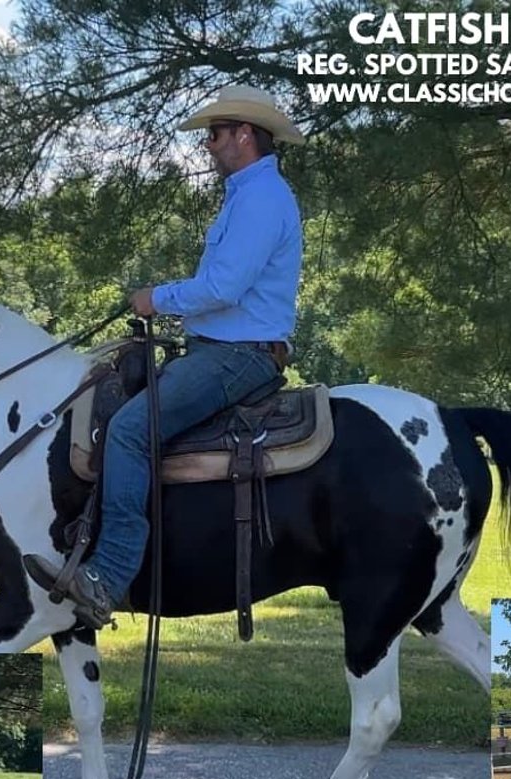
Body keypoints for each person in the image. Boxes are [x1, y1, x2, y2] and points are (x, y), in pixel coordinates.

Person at [28, 85, 305, 628]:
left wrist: (157, 299)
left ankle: (107, 578)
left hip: (236, 356)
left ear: (245, 135)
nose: (208, 144)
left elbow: (223, 286)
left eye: (216, 133)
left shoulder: (262, 199)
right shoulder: (250, 196)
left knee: (131, 431)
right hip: (223, 348)